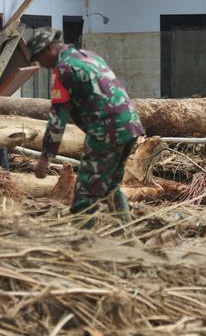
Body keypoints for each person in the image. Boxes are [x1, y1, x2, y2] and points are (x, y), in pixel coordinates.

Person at [27, 28, 144, 224]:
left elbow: (57, 118)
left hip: (106, 131)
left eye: (38, 59)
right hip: (130, 125)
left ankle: (82, 242)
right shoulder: (89, 56)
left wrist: (45, 158)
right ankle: (125, 231)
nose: (40, 65)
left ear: (47, 50)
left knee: (85, 191)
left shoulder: (63, 69)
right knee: (110, 186)